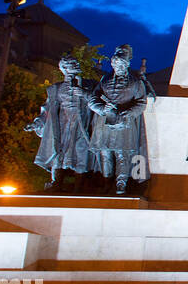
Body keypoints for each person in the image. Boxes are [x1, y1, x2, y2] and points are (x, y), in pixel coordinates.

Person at [87, 45, 154, 195]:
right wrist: (102, 109)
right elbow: (92, 99)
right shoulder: (105, 79)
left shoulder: (136, 82)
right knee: (105, 155)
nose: (118, 67)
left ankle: (121, 185)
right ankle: (106, 182)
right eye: (115, 64)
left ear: (127, 64)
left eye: (121, 64)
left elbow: (141, 102)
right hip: (104, 124)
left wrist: (126, 113)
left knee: (122, 155)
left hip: (124, 124)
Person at [25, 55, 96, 191]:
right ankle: (56, 182)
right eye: (71, 64)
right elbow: (47, 110)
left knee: (81, 152)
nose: (75, 65)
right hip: (62, 125)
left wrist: (84, 94)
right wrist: (36, 123)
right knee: (58, 153)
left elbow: (98, 104)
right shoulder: (56, 88)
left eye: (75, 63)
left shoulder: (88, 85)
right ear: (64, 68)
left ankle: (79, 187)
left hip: (81, 124)